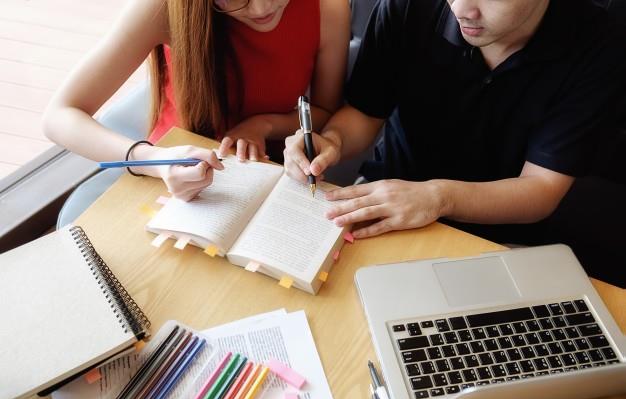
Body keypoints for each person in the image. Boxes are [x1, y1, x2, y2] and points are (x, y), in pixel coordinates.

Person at [284, 0, 626, 285]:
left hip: (504, 233)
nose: (462, 10)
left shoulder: (598, 42)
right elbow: (364, 112)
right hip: (386, 204)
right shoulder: (407, 6)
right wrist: (331, 140)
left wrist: (438, 197)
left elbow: (541, 188)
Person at [43, 0, 349, 202]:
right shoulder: (162, 8)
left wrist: (263, 124)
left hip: (265, 173)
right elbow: (59, 116)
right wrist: (154, 163)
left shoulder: (328, 8)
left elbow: (323, 112)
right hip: (168, 170)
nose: (260, 8)